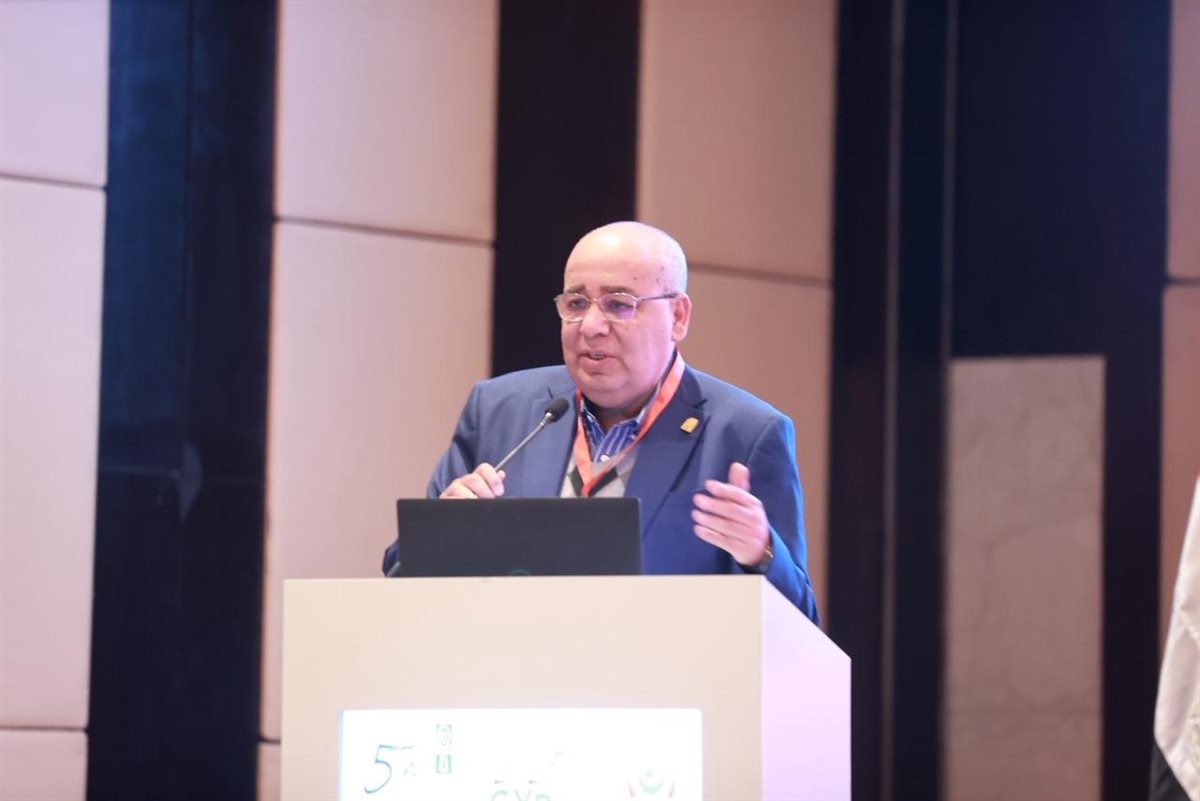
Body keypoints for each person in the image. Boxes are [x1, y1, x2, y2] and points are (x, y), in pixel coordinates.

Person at [382, 221, 818, 622]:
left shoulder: (745, 433)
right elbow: (398, 577)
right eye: (576, 303)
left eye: (618, 305)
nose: (591, 326)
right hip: (509, 673)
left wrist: (759, 554)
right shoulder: (500, 410)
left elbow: (801, 621)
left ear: (678, 317)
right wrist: (442, 537)